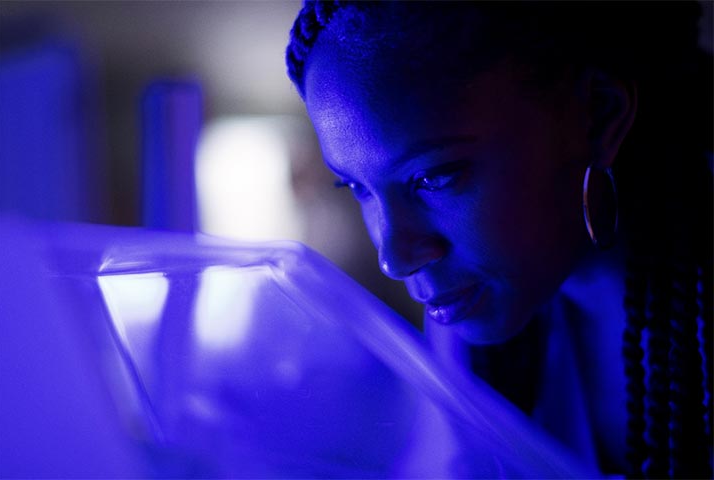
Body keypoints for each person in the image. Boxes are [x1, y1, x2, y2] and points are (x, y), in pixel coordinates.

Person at [286, 1, 712, 478]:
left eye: (435, 177)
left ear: (598, 116)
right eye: (357, 187)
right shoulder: (476, 313)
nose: (395, 257)